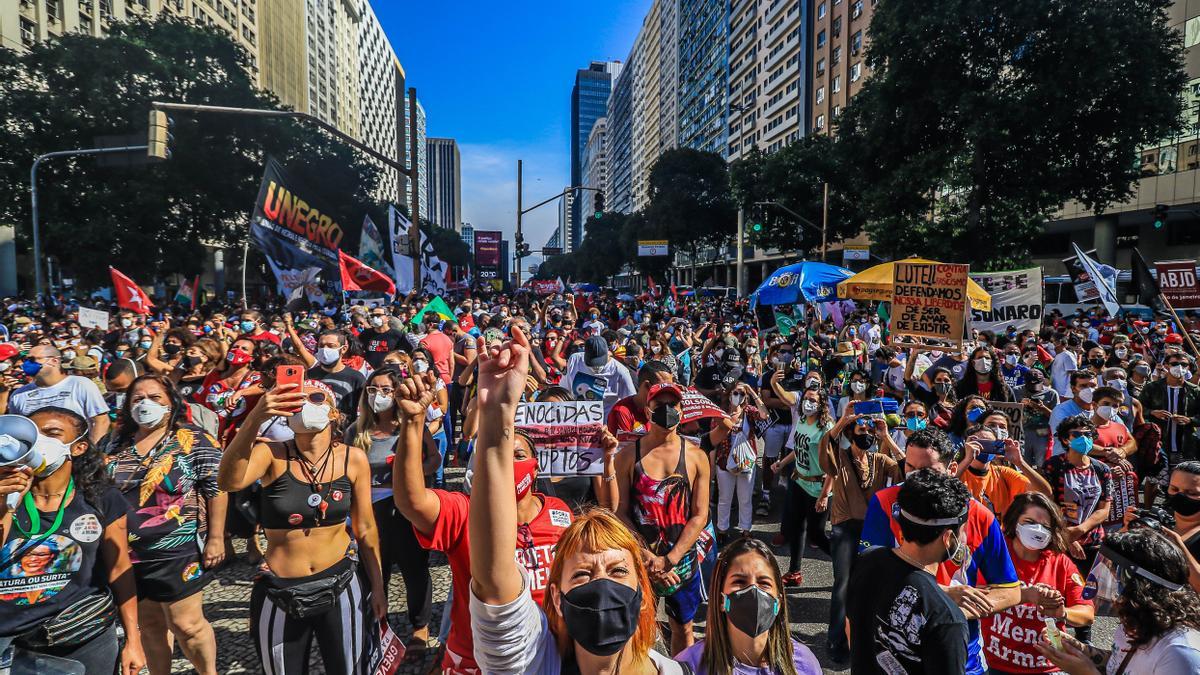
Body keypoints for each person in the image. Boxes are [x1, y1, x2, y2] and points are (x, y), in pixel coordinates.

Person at [463, 325, 689, 674]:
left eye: (617, 570)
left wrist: (608, 459)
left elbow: (610, 504)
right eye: (582, 575)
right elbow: (493, 582)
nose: (601, 585)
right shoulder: (534, 663)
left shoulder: (671, 671)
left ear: (643, 592)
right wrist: (496, 419)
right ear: (557, 596)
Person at [390, 347, 577, 674]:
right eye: (502, 457)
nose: (509, 465)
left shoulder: (560, 512)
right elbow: (412, 501)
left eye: (518, 456)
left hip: (548, 653)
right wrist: (412, 422)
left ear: (535, 468)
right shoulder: (464, 512)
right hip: (476, 659)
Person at [217, 378, 387, 675]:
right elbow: (228, 481)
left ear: (334, 413)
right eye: (297, 399)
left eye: (316, 398)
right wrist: (256, 416)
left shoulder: (353, 459)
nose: (305, 405)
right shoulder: (271, 454)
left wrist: (378, 585)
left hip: (341, 583)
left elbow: (366, 529)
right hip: (279, 590)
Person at [860, 427, 1021, 675]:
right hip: (893, 654)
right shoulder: (885, 502)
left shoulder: (981, 516)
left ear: (952, 470)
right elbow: (870, 573)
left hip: (963, 658)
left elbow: (1010, 590)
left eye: (927, 471)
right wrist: (939, 598)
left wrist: (953, 612)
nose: (915, 478)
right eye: (909, 468)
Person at [0, 409, 145, 675]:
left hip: (83, 634)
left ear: (78, 448)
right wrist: (5, 506)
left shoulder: (101, 498)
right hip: (11, 641)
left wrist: (133, 640)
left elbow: (119, 570)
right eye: (33, 434)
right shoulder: (5, 497)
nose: (38, 441)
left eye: (51, 434)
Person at [105, 374, 225, 675]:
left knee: (187, 625)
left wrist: (216, 537)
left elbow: (217, 488)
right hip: (126, 554)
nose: (145, 404)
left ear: (171, 403)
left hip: (176, 550)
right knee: (150, 627)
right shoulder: (115, 441)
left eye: (155, 398)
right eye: (137, 398)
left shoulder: (193, 439)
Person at [615, 380, 711, 656]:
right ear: (648, 410)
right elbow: (620, 512)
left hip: (682, 562)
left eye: (673, 404)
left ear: (682, 410)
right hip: (640, 561)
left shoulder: (696, 457)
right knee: (638, 627)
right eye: (660, 405)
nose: (667, 410)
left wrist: (670, 559)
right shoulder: (627, 457)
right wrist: (647, 557)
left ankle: (683, 668)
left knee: (683, 627)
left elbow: (699, 514)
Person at [847, 468, 972, 674]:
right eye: (964, 530)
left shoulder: (868, 559)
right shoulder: (947, 619)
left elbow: (850, 626)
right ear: (948, 537)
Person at [346, 367, 435, 653]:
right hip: (367, 513)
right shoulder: (355, 431)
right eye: (372, 389)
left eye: (385, 389)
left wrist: (413, 476)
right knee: (372, 570)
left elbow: (434, 458)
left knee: (414, 569)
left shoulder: (409, 427)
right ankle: (377, 624)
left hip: (403, 511)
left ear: (396, 392)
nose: (378, 395)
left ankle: (420, 627)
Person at [1035, 529, 1200, 675]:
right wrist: (1080, 649)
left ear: (1139, 586)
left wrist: (1087, 672)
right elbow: (1119, 665)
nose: (1112, 590)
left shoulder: (1180, 654)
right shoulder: (1137, 623)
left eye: (1115, 577)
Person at [981, 492, 1095, 674]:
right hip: (998, 666)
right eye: (1030, 522)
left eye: (1045, 526)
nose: (1038, 530)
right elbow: (975, 597)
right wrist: (1023, 595)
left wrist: (1062, 613)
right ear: (1014, 521)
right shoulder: (996, 555)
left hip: (1046, 668)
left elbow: (1087, 614)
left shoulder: (1061, 563)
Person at [675, 536, 821, 674]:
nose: (753, 590)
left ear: (779, 602)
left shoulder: (803, 664)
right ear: (721, 600)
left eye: (764, 583)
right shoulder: (690, 666)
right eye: (739, 582)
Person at [1041, 414, 1111, 644]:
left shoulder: (1101, 469)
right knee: (1058, 589)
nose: (1083, 439)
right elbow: (1047, 505)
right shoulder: (1054, 466)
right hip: (1061, 539)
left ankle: (1084, 639)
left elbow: (1104, 508)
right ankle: (1054, 636)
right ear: (1065, 439)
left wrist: (1081, 529)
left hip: (1093, 541)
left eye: (1087, 434)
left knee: (1086, 592)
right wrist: (1068, 538)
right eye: (1076, 434)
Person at [769, 380, 834, 587]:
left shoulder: (826, 429)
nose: (807, 403)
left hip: (817, 487)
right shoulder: (803, 420)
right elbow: (799, 448)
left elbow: (834, 467)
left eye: (813, 400)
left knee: (817, 533)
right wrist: (782, 462)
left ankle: (845, 562)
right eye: (805, 399)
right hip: (798, 481)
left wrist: (824, 495)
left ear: (822, 403)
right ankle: (794, 572)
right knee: (797, 527)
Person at [955, 411, 1053, 519]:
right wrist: (967, 459)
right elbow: (943, 488)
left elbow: (1045, 492)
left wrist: (1020, 462)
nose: (984, 448)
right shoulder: (957, 470)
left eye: (991, 444)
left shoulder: (1003, 473)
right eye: (980, 443)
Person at [5, 344, 109, 444]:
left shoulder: (81, 384)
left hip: (74, 454)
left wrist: (92, 452)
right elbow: (16, 430)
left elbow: (101, 421)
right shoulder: (19, 395)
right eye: (25, 360)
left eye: (32, 359)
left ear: (54, 361)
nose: (27, 363)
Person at [713, 382, 765, 539]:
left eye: (742, 394)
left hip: (746, 463)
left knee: (745, 499)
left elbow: (765, 415)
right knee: (724, 499)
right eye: (736, 393)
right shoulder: (720, 414)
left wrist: (752, 392)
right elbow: (713, 440)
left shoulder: (749, 412)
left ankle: (745, 530)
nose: (738, 396)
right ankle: (722, 530)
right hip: (723, 462)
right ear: (729, 394)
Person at [1139, 350, 1200, 465]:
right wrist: (1153, 412)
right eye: (1175, 364)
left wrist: (1190, 420)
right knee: (1156, 480)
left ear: (1188, 368)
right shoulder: (1152, 388)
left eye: (1183, 364)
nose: (1179, 367)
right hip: (1158, 446)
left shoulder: (1195, 391)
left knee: (1183, 480)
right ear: (1166, 365)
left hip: (1186, 446)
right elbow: (1138, 409)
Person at [563, 335, 636, 417]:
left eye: (599, 361)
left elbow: (631, 404)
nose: (596, 367)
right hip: (577, 420)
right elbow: (564, 391)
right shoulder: (574, 360)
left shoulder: (620, 372)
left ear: (608, 353)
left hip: (605, 424)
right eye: (592, 362)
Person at [306, 329, 366, 426]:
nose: (324, 349)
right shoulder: (309, 375)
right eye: (321, 346)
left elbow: (363, 411)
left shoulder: (356, 378)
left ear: (343, 349)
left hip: (343, 435)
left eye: (331, 346)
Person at [1047, 370, 1097, 458]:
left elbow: (1127, 437)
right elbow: (1077, 442)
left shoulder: (1102, 409)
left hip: (1092, 465)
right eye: (1083, 386)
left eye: (1093, 386)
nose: (1089, 390)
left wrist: (1122, 450)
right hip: (1066, 463)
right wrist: (1107, 452)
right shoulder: (1061, 411)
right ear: (1073, 388)